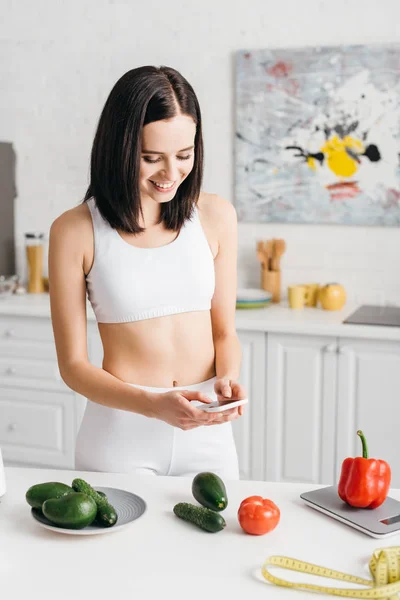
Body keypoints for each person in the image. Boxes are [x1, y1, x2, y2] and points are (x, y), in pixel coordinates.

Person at [48, 65, 247, 479]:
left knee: (218, 544)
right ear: (119, 148)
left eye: (184, 156)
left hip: (206, 429)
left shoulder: (215, 216)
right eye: (151, 158)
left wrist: (227, 380)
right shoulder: (75, 231)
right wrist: (155, 405)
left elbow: (224, 332)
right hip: (120, 435)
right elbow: (74, 366)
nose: (171, 174)